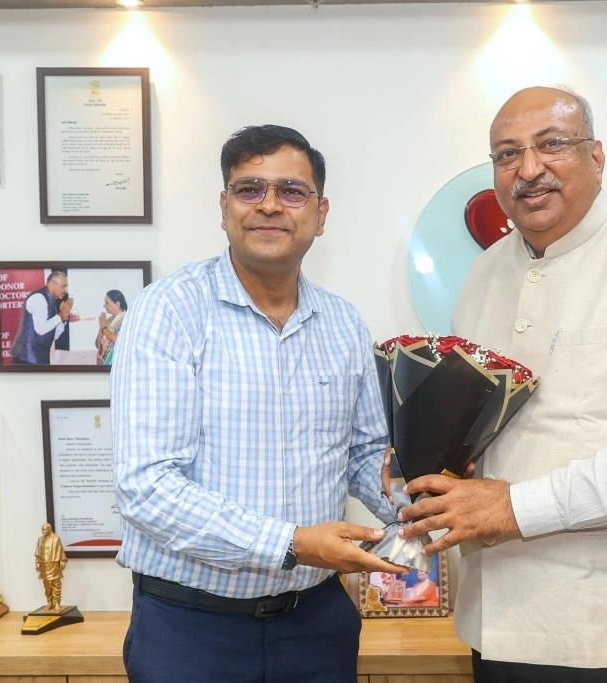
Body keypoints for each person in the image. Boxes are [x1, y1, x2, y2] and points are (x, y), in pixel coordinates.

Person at [398, 86, 607, 681]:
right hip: (501, 625)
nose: (529, 169)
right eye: (507, 154)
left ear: (597, 157)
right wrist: (431, 463)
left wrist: (514, 506)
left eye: (552, 144)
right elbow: (487, 433)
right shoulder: (483, 275)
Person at [111, 124, 404, 683]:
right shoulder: (167, 311)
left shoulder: (344, 322)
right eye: (250, 189)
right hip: (191, 630)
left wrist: (423, 501)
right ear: (224, 207)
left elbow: (366, 455)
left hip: (318, 624)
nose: (269, 205)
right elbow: (146, 485)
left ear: (320, 213)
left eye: (291, 191)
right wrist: (292, 544)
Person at [10, 271, 74, 365]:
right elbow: (41, 329)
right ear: (52, 284)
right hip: (27, 359)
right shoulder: (39, 298)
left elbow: (53, 335)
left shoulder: (52, 301)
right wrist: (61, 315)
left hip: (40, 358)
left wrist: (64, 318)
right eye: (63, 286)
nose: (66, 290)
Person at [35, 522, 68, 612]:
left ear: (50, 529)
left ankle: (57, 603)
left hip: (54, 565)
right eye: (42, 529)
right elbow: (37, 553)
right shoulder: (40, 540)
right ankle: (49, 602)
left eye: (46, 529)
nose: (44, 531)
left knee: (56, 584)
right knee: (47, 585)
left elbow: (60, 551)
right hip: (44, 565)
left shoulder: (56, 538)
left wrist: (62, 561)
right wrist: (37, 563)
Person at [94, 289, 127, 365]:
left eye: (107, 303)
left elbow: (117, 340)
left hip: (115, 364)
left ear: (117, 304)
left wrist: (104, 328)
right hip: (102, 364)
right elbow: (97, 344)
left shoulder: (126, 319)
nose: (104, 305)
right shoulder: (110, 319)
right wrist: (101, 328)